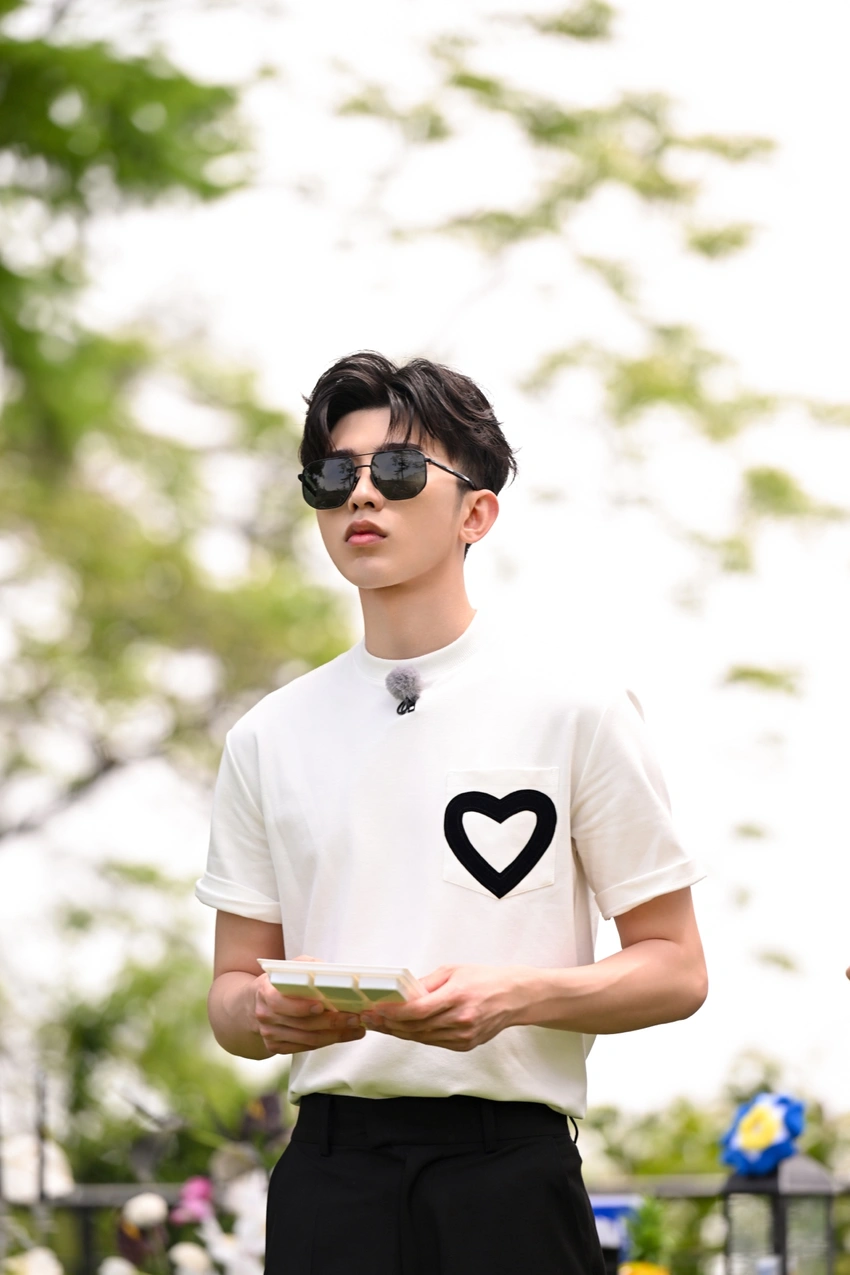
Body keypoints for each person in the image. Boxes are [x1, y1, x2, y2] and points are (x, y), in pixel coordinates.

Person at [196, 351, 708, 1275]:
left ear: (477, 513)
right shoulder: (268, 734)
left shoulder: (577, 707)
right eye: (332, 476)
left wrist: (515, 996)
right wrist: (267, 1011)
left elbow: (677, 967)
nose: (361, 494)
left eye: (397, 469)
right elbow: (230, 994)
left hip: (509, 1177)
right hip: (327, 1179)